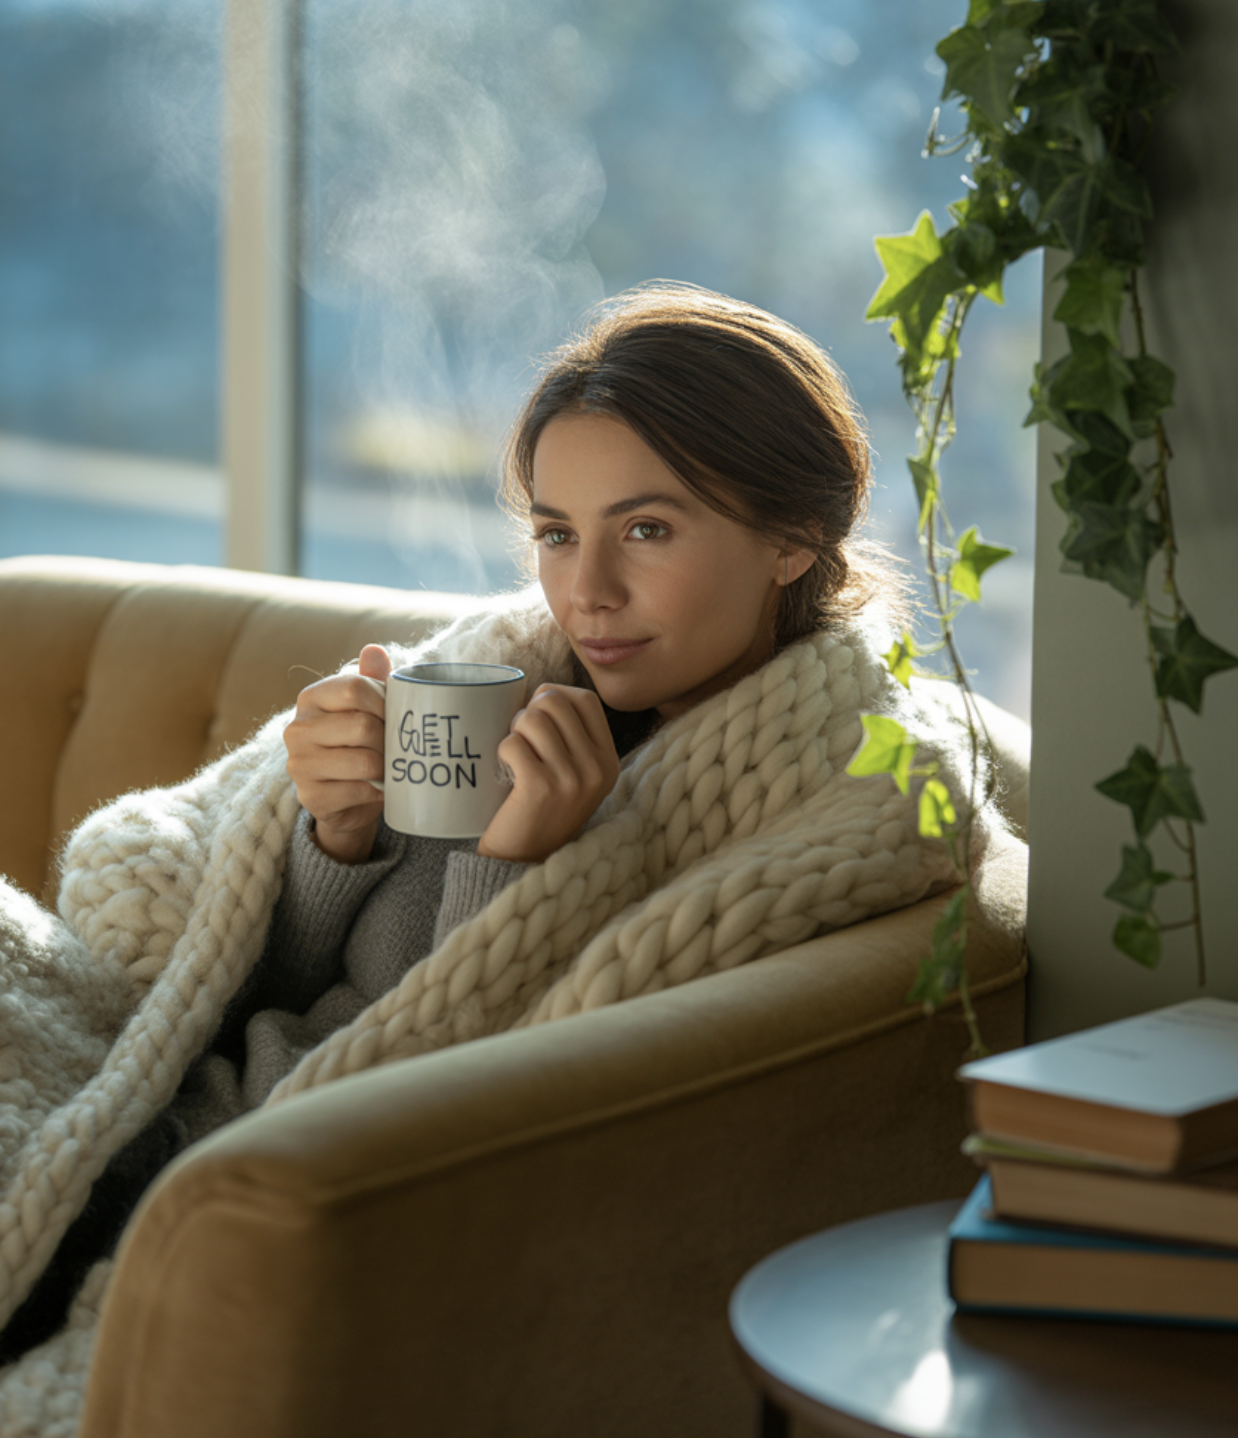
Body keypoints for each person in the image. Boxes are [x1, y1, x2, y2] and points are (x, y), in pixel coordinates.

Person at [3, 282, 946, 1365]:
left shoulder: (833, 808)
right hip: (144, 1107)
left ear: (794, 538)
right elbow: (206, 983)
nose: (584, 591)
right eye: (555, 530)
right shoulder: (484, 682)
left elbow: (469, 1113)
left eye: (646, 528)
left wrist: (521, 869)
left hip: (271, 1196)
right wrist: (326, 840)